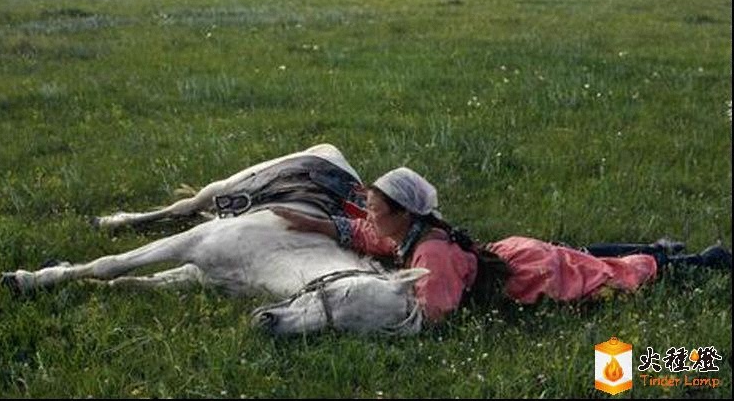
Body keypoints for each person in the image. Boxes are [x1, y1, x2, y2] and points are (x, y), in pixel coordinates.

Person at [271, 167, 732, 323]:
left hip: (527, 275)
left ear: (404, 213)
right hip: (513, 253)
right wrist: (317, 225)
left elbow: (435, 315)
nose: (369, 216)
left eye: (375, 207)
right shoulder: (411, 233)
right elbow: (367, 236)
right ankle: (660, 250)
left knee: (608, 275)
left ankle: (693, 262)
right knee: (587, 257)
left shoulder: (429, 255)